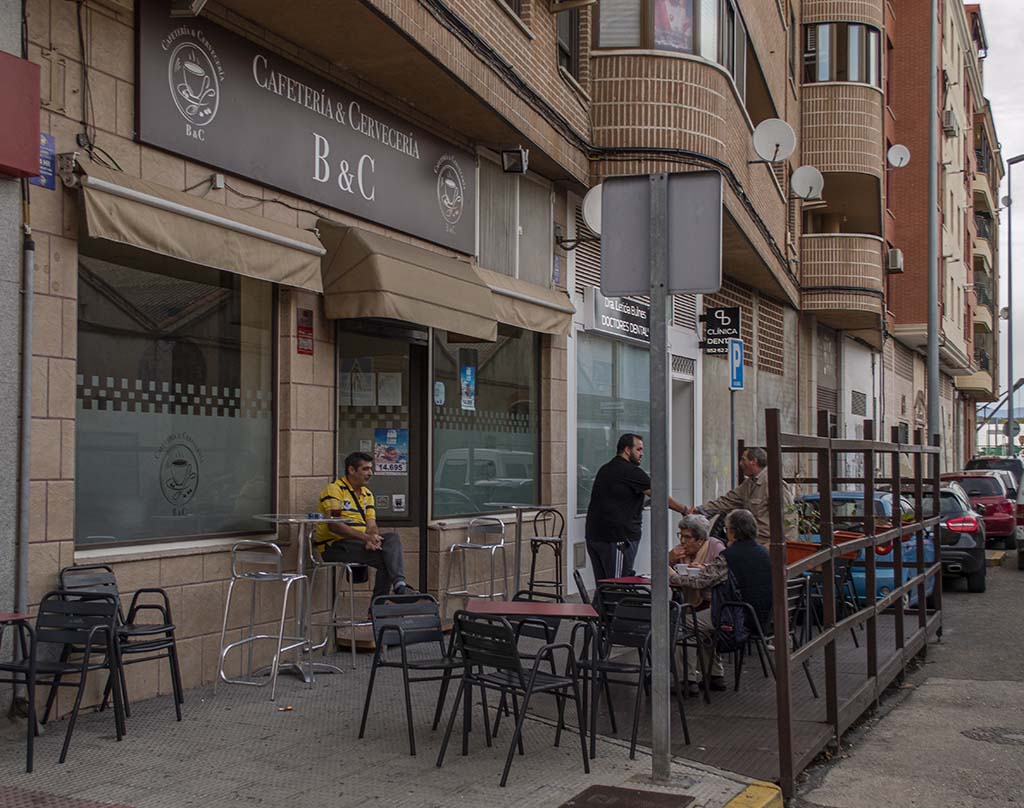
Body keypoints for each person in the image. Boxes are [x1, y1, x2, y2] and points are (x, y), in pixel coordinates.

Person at [669, 509, 772, 692]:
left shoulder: (729, 556)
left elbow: (701, 581)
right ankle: (714, 675)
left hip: (737, 619)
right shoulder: (763, 553)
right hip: (762, 618)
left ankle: (686, 680)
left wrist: (672, 575)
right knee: (701, 621)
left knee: (684, 622)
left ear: (731, 531)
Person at [316, 451, 415, 604]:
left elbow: (372, 524)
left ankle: (398, 585)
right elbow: (334, 525)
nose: (370, 473)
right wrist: (366, 538)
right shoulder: (335, 490)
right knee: (386, 560)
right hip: (334, 545)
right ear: (351, 470)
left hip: (359, 543)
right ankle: (381, 605)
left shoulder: (367, 494)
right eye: (365, 469)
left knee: (392, 538)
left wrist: (372, 538)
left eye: (371, 469)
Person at [585, 433, 686, 581]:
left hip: (594, 537)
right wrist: (684, 510)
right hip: (617, 538)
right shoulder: (631, 471)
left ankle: (600, 605)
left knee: (603, 585)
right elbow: (659, 495)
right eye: (638, 449)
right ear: (627, 450)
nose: (642, 454)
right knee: (618, 585)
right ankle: (610, 604)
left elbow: (617, 498)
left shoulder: (605, 469)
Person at [688, 447, 796, 546]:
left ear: (753, 461)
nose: (740, 464)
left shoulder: (773, 483)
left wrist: (784, 547)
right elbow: (726, 501)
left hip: (767, 545)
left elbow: (788, 518)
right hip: (753, 542)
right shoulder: (749, 484)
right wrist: (700, 510)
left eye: (743, 460)